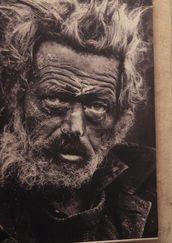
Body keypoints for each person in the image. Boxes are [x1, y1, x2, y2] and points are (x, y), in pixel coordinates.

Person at [0, 0, 157, 242]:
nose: (75, 128)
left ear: (120, 119)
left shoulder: (151, 181)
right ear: (16, 97)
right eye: (55, 99)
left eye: (96, 106)